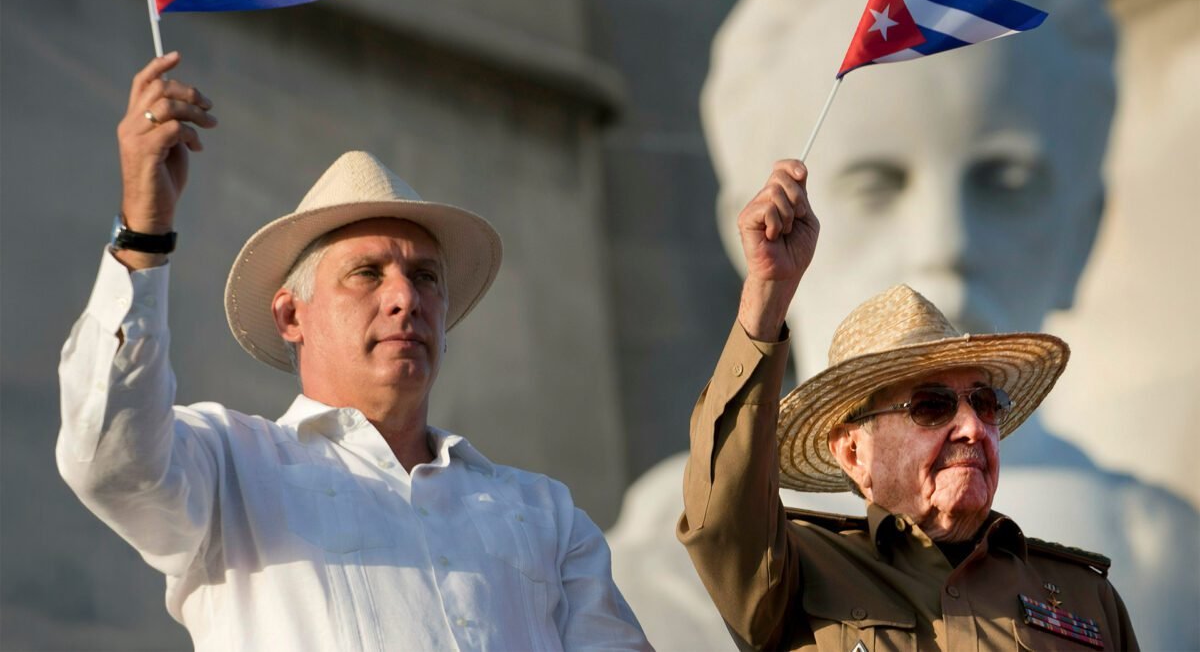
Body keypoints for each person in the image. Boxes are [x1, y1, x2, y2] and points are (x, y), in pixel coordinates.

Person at [56, 53, 649, 651]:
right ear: (292, 315)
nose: (404, 297)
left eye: (426, 277)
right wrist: (144, 232)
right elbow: (109, 456)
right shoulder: (226, 467)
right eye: (367, 273)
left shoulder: (543, 511)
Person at [677, 158, 1138, 651]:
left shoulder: (1085, 597)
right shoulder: (794, 574)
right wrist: (768, 291)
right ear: (854, 453)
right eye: (932, 406)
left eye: (985, 403)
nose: (972, 428)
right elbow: (721, 512)